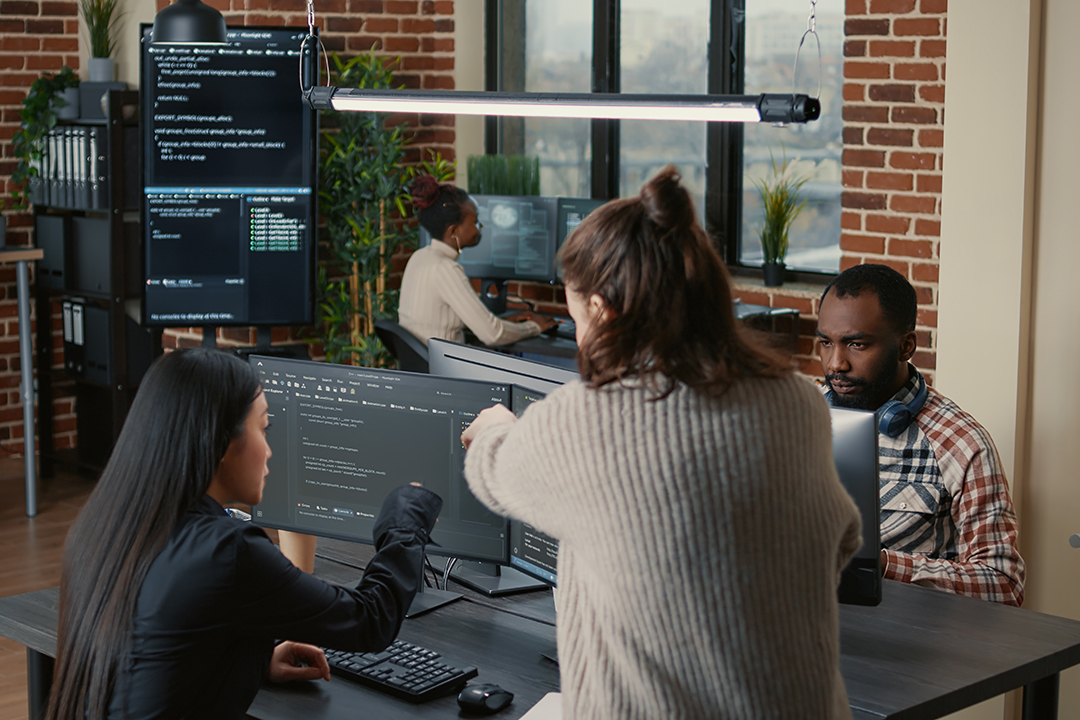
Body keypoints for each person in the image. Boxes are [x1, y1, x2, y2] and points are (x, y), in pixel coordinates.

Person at [461, 166, 862, 719]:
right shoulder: (796, 400)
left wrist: (494, 427)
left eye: (578, 317)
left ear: (601, 310)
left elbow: (494, 468)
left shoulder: (587, 419)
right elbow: (841, 541)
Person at [46, 349, 442, 720]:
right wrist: (407, 513)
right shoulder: (228, 550)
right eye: (264, 428)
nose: (270, 450)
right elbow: (369, 619)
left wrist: (253, 660)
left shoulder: (105, 526)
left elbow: (144, 655)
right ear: (220, 442)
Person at [816, 263, 1025, 606]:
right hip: (802, 625)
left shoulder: (962, 443)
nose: (835, 363)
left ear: (906, 346)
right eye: (826, 342)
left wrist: (881, 565)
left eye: (856, 344)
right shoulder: (799, 420)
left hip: (904, 646)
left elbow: (1004, 585)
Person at [397, 175, 555, 346]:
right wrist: (534, 327)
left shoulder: (419, 257)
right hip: (444, 370)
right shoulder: (446, 269)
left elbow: (441, 319)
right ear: (454, 231)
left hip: (422, 368)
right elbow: (492, 335)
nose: (479, 227)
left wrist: (504, 322)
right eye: (475, 222)